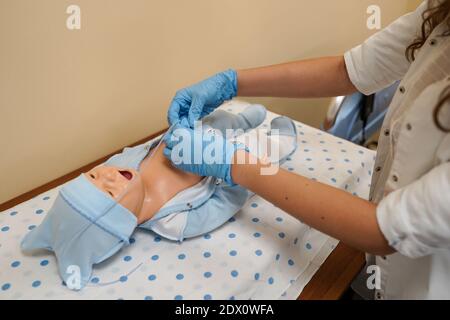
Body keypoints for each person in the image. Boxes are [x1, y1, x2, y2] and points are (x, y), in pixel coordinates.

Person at [164, 0, 450, 299]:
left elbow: (382, 230)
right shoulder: (440, 11)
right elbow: (348, 70)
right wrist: (231, 82)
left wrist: (235, 164)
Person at [21, 104, 298, 289]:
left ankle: (240, 121)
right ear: (120, 220)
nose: (107, 175)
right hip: (227, 161)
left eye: (93, 175)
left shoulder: (124, 164)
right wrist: (233, 173)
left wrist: (182, 127)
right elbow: (225, 203)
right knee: (259, 151)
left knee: (218, 120)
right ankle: (282, 142)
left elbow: (145, 148)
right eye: (108, 190)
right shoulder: (174, 221)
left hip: (196, 135)